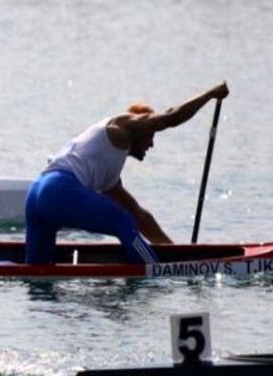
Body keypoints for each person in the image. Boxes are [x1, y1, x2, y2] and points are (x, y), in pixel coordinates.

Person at [25, 82, 230, 264]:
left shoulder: (108, 174)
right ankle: (155, 270)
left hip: (36, 194)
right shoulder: (122, 126)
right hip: (58, 189)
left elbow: (139, 216)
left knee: (37, 272)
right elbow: (171, 117)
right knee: (122, 222)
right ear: (140, 129)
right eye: (150, 135)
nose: (151, 144)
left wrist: (175, 250)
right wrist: (209, 94)